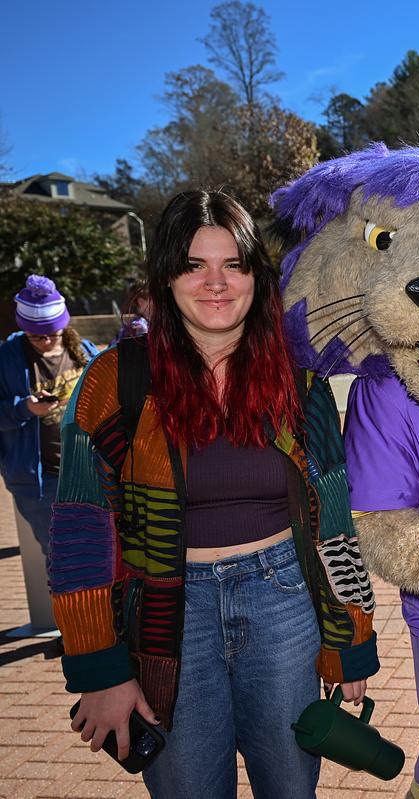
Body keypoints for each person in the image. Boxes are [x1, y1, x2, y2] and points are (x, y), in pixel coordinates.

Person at [49, 190, 379, 798]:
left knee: (290, 788)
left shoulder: (297, 377)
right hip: (166, 620)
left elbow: (331, 516)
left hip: (285, 604)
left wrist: (351, 635)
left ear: (257, 274)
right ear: (166, 278)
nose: (216, 283)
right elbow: (79, 530)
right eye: (194, 265)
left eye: (233, 263)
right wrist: (99, 667)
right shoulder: (115, 381)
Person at [0, 275, 99, 558]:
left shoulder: (84, 350)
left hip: (91, 472)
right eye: (35, 336)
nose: (44, 342)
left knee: (102, 556)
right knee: (64, 561)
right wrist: (25, 409)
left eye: (51, 334)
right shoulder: (6, 359)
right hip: (42, 484)